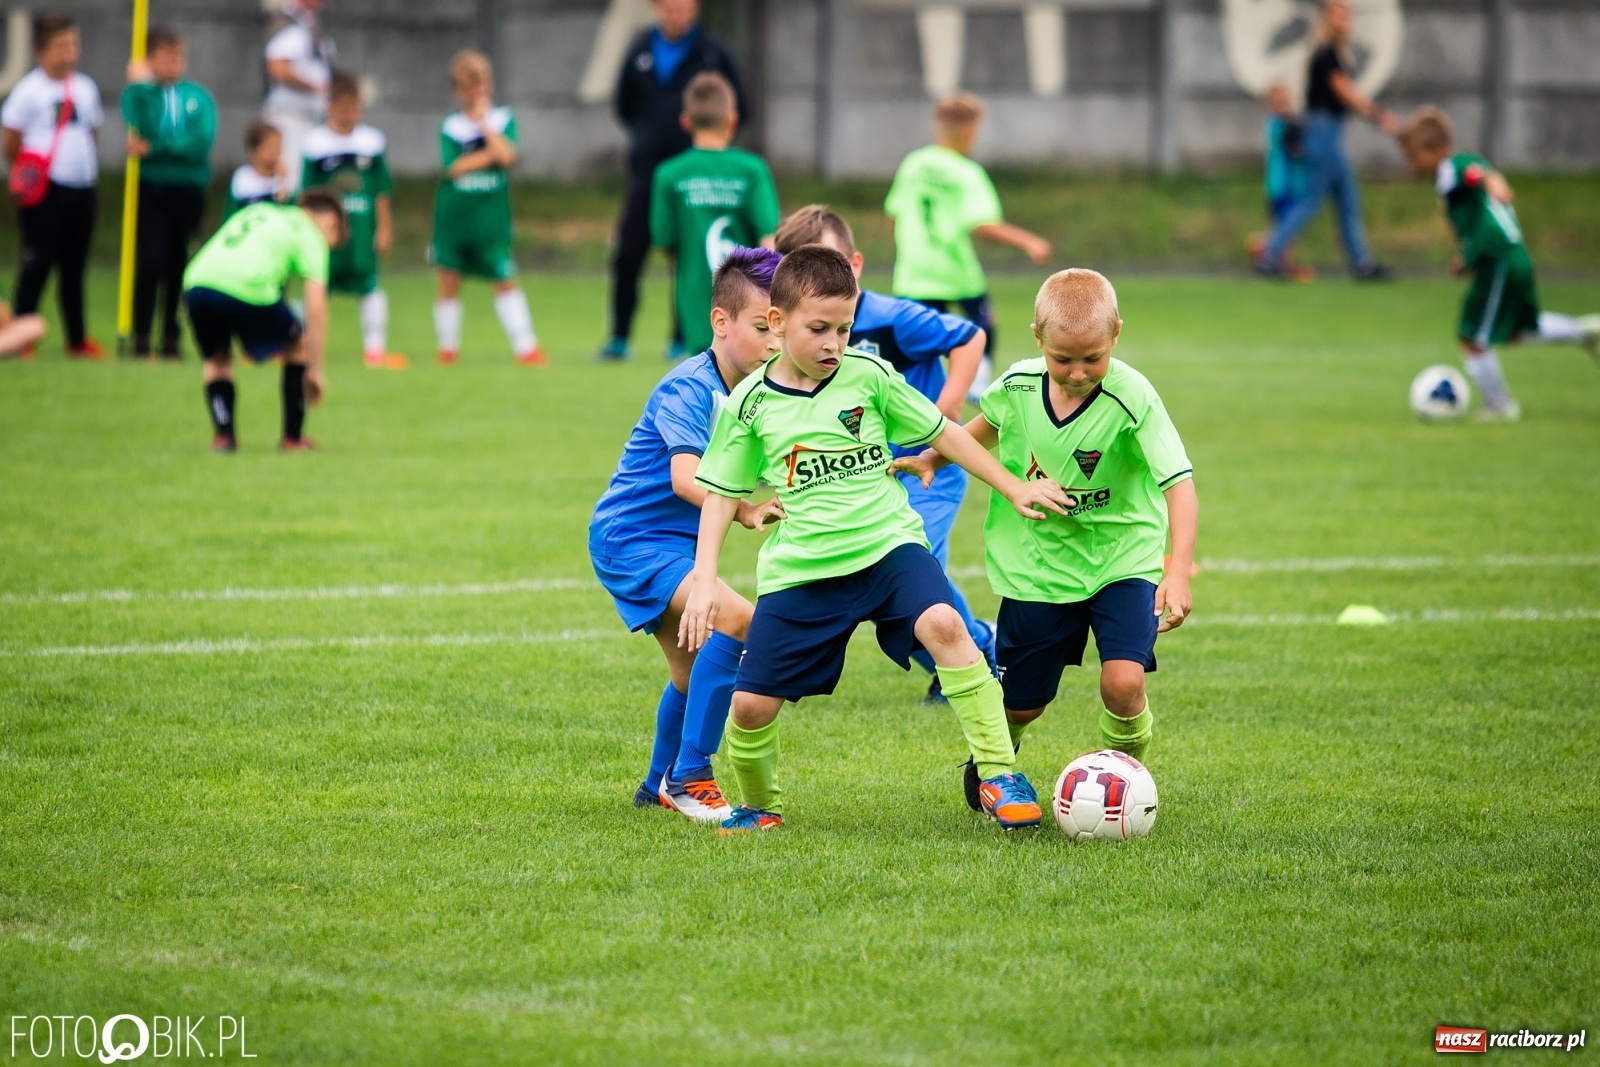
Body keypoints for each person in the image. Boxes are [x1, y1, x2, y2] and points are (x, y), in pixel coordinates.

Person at [678, 245, 1072, 833]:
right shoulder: (750, 404)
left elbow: (945, 432)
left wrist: (1013, 486)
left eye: (844, 329)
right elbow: (719, 493)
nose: (834, 344)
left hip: (889, 546)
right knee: (751, 706)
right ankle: (760, 807)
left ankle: (999, 774)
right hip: (803, 569)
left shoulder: (871, 376)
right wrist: (706, 578)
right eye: (819, 329)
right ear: (778, 322)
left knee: (946, 625)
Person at [892, 269, 1198, 809]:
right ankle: (995, 760)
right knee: (1022, 704)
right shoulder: (1017, 386)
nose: (1078, 373)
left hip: (1122, 559)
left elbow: (1180, 487)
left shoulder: (1134, 397)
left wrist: (1176, 573)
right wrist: (933, 458)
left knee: (1124, 683)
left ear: (1116, 335)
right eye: (1063, 359)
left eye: (1093, 358)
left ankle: (1123, 781)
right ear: (1038, 338)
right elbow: (985, 428)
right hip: (1037, 565)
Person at [590, 248, 785, 824]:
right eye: (760, 328)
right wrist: (744, 510)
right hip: (633, 539)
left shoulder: (762, 391)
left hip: (672, 542)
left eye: (779, 329)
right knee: (740, 620)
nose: (773, 343)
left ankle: (656, 785)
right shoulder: (691, 386)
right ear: (720, 322)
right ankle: (690, 775)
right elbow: (684, 476)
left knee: (689, 671)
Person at [772, 205, 993, 704]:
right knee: (877, 579)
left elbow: (969, 336)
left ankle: (977, 653)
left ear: (854, 264)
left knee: (909, 574)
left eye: (828, 262)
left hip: (925, 469)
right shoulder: (796, 336)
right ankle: (975, 646)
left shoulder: (891, 318)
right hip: (863, 479)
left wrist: (948, 405)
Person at [1396, 107, 1600, 421]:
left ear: (1436, 149)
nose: (1411, 166)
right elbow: (1475, 213)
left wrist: (1492, 180)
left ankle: (1499, 406)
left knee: (1472, 336)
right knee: (1519, 330)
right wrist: (1467, 259)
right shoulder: (1449, 181)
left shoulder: (1452, 167)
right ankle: (1584, 331)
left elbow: (1475, 172)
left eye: (1414, 157)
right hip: (1510, 257)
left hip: (1499, 259)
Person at [884, 92, 1050, 400]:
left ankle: (922, 397)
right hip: (955, 269)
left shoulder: (913, 164)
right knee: (984, 325)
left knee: (917, 342)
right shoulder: (967, 173)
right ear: (967, 130)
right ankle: (974, 382)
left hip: (913, 272)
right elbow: (983, 223)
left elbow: (893, 214)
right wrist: (1029, 241)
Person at [603, 0, 744, 361]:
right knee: (629, 252)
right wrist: (647, 137)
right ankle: (619, 336)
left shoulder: (712, 52)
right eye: (669, 6)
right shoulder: (640, 48)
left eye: (683, 5)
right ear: (657, 7)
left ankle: (682, 336)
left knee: (690, 256)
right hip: (648, 173)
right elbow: (623, 104)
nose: (676, 11)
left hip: (695, 178)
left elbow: (740, 104)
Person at [182, 190, 345, 452]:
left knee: (217, 358)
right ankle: (292, 439)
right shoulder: (309, 232)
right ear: (331, 222)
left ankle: (224, 437)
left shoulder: (259, 211)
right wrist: (314, 370)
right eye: (331, 242)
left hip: (197, 282)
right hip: (248, 287)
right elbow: (316, 308)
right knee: (299, 345)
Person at [1254, 0, 1397, 281]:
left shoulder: (1334, 54)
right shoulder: (1326, 53)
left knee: (1348, 200)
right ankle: (1269, 253)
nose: (1345, 21)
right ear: (1326, 18)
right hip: (1322, 133)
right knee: (1310, 201)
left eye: (1347, 16)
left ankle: (1361, 263)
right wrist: (1378, 116)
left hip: (1330, 134)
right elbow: (1345, 92)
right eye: (1339, 15)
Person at [649, 72, 778, 360]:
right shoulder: (752, 170)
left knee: (707, 372)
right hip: (749, 300)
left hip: (697, 299)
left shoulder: (668, 174)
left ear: (685, 121)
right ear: (732, 119)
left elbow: (663, 242)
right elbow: (769, 238)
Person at [430, 50, 544, 368]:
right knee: (449, 281)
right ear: (456, 90)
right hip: (454, 219)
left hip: (491, 221)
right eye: (468, 88)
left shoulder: (502, 120)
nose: (475, 94)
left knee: (505, 279)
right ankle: (447, 347)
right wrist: (489, 155)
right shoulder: (450, 126)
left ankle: (525, 346)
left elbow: (507, 156)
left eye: (480, 86)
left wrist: (484, 126)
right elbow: (453, 168)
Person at [2, 12, 105, 358]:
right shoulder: (28, 91)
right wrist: (29, 174)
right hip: (45, 191)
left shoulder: (86, 88)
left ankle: (77, 340)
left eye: (72, 45)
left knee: (74, 269)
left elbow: (92, 133)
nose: (68, 53)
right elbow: (11, 141)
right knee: (37, 264)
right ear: (40, 51)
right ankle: (20, 338)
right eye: (60, 46)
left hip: (82, 187)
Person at [122, 26, 216, 360]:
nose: (173, 64)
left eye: (178, 57)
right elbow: (139, 123)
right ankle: (141, 336)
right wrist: (138, 86)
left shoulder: (197, 97)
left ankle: (171, 338)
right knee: (150, 261)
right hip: (153, 189)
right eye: (165, 58)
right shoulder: (144, 95)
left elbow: (199, 142)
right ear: (150, 61)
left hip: (188, 189)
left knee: (180, 264)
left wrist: (157, 148)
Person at [302, 70, 401, 370]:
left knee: (369, 286)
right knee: (318, 287)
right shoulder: (315, 142)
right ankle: (302, 345)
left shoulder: (372, 141)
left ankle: (375, 349)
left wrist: (384, 228)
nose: (350, 113)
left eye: (355, 107)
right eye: (344, 107)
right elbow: (307, 194)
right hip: (327, 233)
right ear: (330, 106)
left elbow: (382, 191)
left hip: (361, 230)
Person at [262, 0, 332, 194]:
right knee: (289, 178)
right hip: (289, 118)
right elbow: (278, 67)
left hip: (311, 118)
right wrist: (315, 87)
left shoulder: (310, 22)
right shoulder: (288, 22)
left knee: (308, 180)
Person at [1247, 83, 1312, 284]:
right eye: (1279, 102)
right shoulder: (1279, 125)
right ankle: (1276, 259)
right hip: (1281, 184)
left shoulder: (1282, 124)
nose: (1284, 105)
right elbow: (1295, 151)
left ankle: (1272, 255)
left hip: (1289, 183)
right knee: (1286, 226)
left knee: (1283, 226)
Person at [225, 121, 287, 220]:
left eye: (278, 147)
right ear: (253, 150)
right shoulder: (242, 177)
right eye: (270, 146)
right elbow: (232, 212)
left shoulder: (281, 179)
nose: (275, 152)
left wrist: (282, 181)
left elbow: (284, 211)